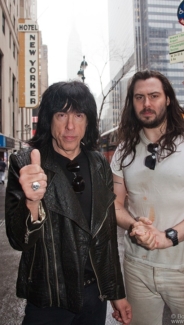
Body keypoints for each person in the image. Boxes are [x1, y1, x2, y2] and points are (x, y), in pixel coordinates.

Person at [5, 80, 132, 325]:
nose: (70, 125)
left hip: (94, 297)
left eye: (79, 115)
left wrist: (116, 292)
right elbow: (17, 240)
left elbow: (106, 237)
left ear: (88, 121)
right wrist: (31, 202)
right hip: (48, 299)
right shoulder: (26, 163)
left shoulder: (98, 164)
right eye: (61, 114)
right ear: (48, 119)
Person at [111, 70, 184, 324]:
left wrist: (168, 236)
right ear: (132, 103)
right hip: (137, 268)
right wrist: (134, 225)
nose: (147, 104)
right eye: (139, 97)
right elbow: (115, 204)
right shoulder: (123, 150)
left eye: (154, 96)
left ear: (168, 99)